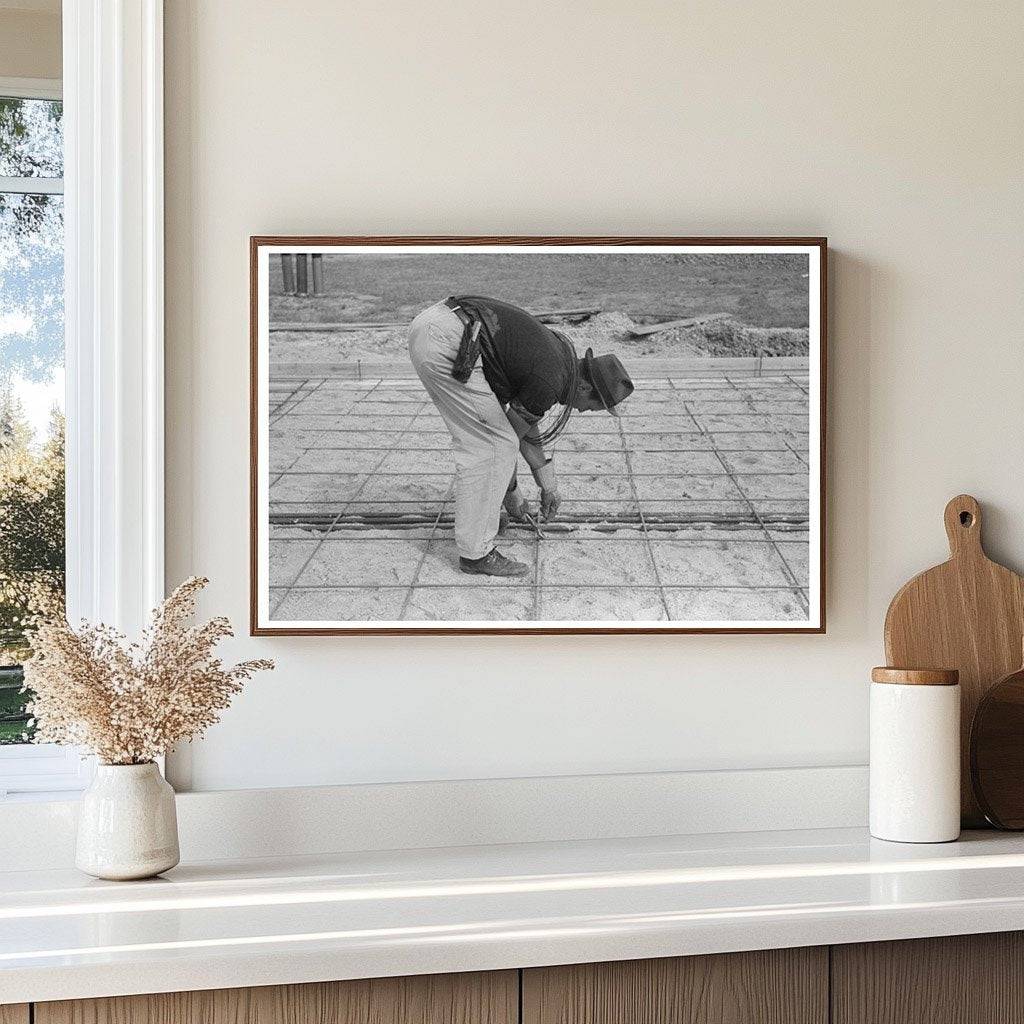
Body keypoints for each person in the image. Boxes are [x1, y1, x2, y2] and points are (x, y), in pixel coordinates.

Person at [408, 295, 634, 577]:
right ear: (586, 387)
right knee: (491, 446)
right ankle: (475, 554)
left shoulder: (560, 362)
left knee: (496, 440)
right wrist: (512, 494)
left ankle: (482, 521)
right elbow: (511, 437)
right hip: (447, 340)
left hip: (441, 324)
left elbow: (524, 422)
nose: (588, 411)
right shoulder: (550, 380)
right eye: (595, 406)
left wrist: (547, 486)